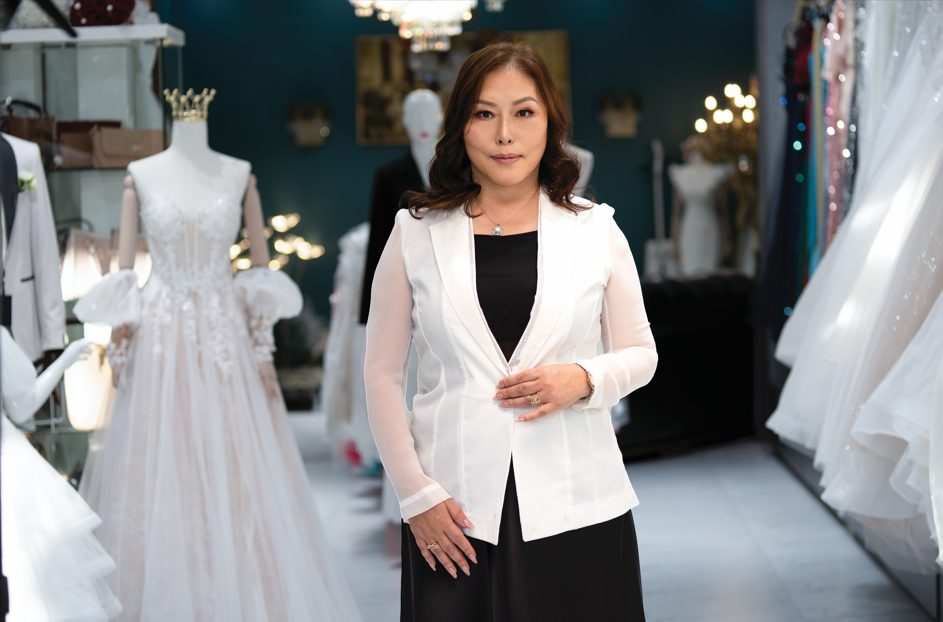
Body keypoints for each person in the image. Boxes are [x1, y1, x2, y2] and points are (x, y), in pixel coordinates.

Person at [364, 42, 657, 621]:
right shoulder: (414, 234)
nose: (505, 135)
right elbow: (381, 373)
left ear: (550, 123)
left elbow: (641, 353)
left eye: (524, 112)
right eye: (483, 113)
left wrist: (583, 377)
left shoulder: (596, 229)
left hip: (579, 503)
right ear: (461, 128)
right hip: (454, 514)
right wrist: (415, 494)